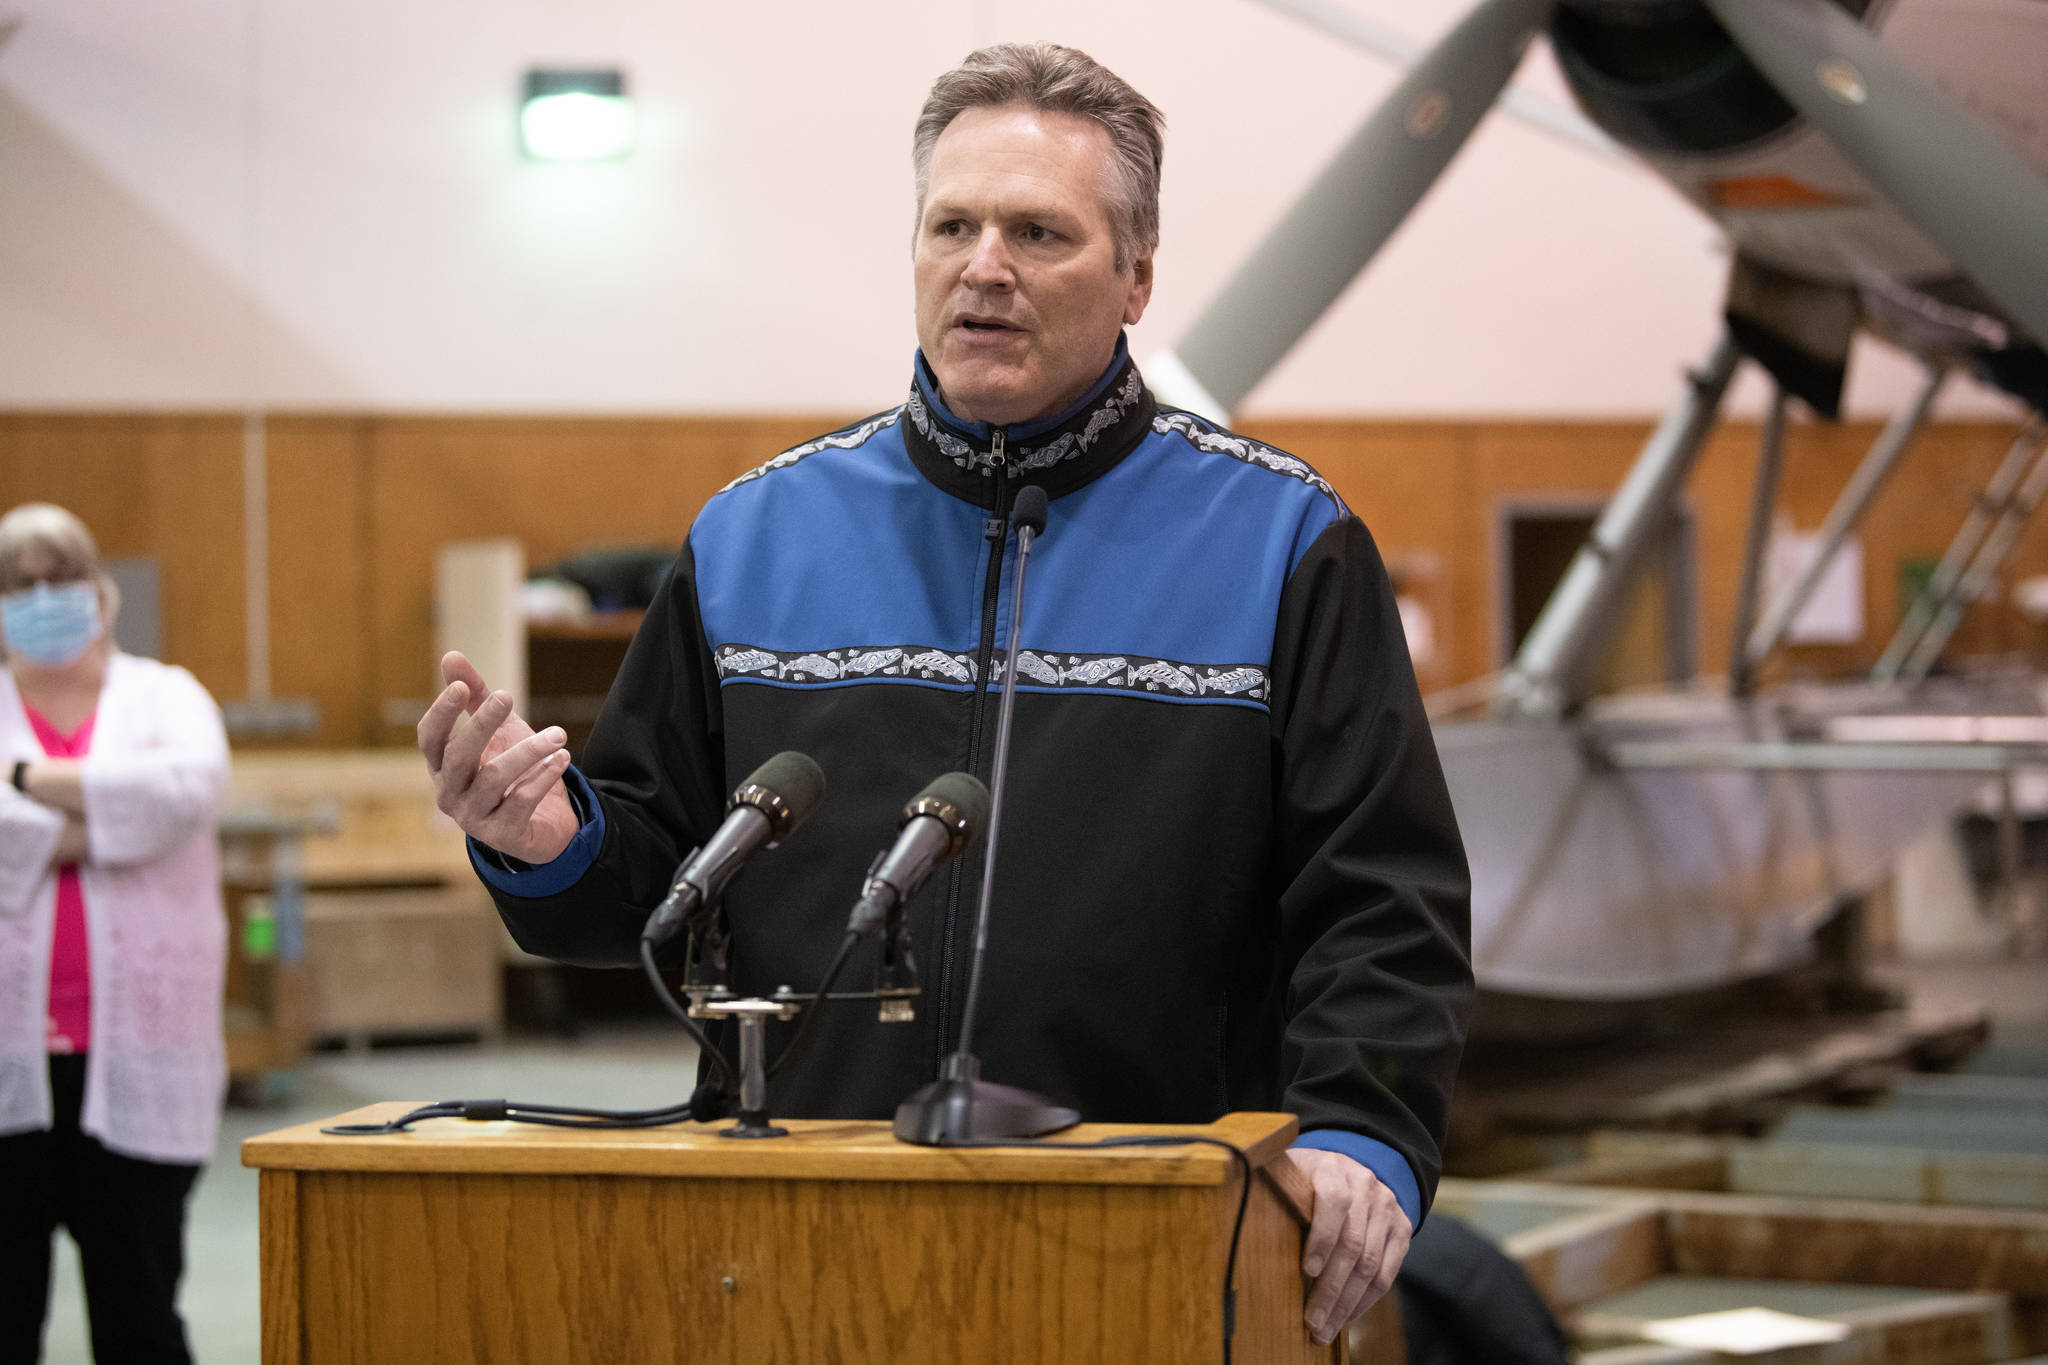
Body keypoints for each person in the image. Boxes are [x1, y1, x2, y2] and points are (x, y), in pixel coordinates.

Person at [421, 43, 1471, 1345]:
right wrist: (545, 842)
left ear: (1138, 273)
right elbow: (642, 885)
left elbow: (1385, 905)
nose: (987, 265)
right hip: (792, 1244)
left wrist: (1368, 1132)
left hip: (1160, 1239)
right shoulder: (756, 537)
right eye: (954, 225)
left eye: (1041, 231)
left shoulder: (1283, 546)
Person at [0, 503, 230, 1364]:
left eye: (61, 574)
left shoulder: (166, 694)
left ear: (99, 591)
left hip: (139, 1056)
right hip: (10, 1071)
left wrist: (23, 781)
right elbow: (150, 807)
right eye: (22, 582)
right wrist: (114, 819)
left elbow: (186, 788)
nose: (45, 594)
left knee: (140, 1320)